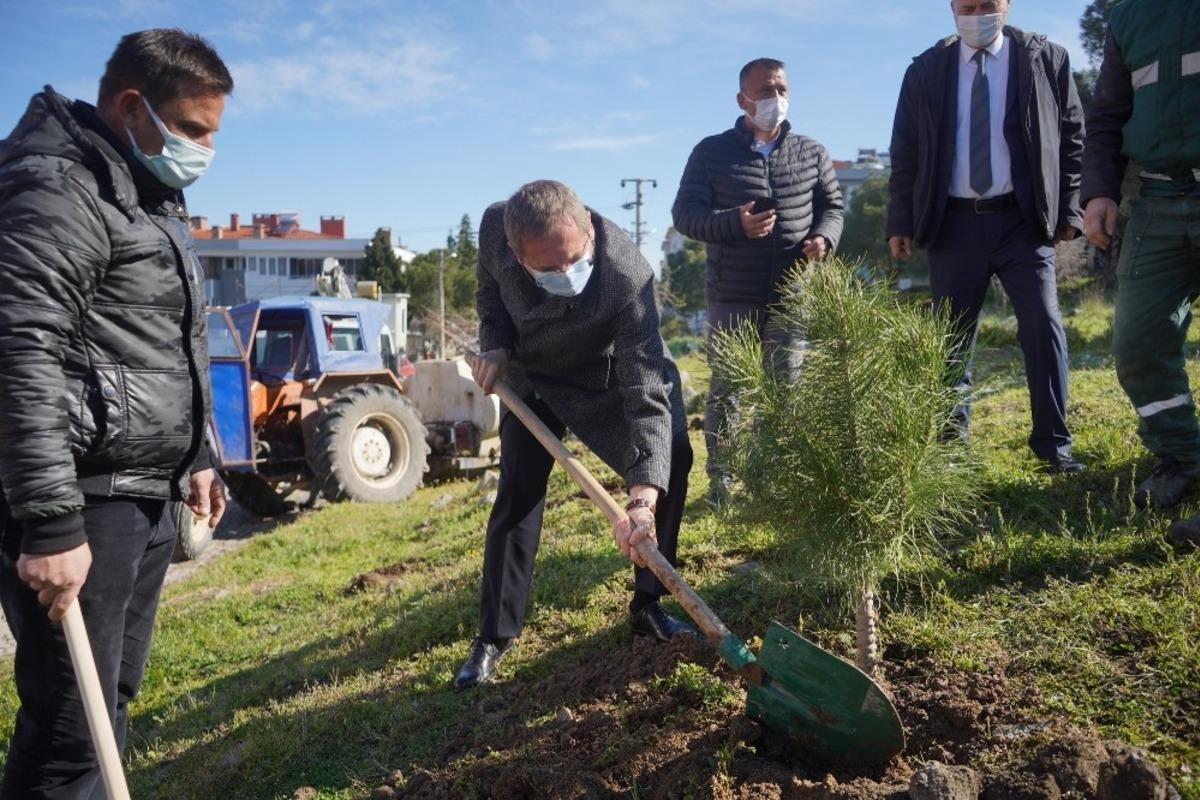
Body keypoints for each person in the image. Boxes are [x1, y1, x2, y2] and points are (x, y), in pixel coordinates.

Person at [0, 29, 231, 797]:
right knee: (70, 730)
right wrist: (50, 522)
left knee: (111, 702)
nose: (204, 150)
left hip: (143, 492)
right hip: (87, 497)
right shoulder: (56, 187)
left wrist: (195, 457)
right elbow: (21, 351)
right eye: (192, 129)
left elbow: (162, 340)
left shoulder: (147, 190)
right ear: (132, 107)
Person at [455, 180, 696, 690]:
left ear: (587, 225)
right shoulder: (495, 228)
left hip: (603, 376)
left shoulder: (626, 275)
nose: (567, 274)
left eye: (574, 258)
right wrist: (495, 345)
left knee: (671, 453)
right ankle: (494, 635)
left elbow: (646, 390)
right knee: (518, 492)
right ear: (518, 255)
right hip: (531, 379)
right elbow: (490, 295)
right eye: (549, 268)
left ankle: (649, 601)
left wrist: (642, 501)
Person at [886, 0, 1086, 474]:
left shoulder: (1046, 59)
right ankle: (951, 454)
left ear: (1007, 5)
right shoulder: (925, 71)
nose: (978, 14)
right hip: (953, 225)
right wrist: (900, 219)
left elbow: (1072, 137)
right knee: (950, 340)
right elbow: (905, 150)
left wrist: (1068, 208)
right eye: (968, 6)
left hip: (1022, 221)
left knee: (1042, 325)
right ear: (952, 9)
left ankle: (1054, 448)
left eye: (988, 4)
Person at [671, 57, 844, 508]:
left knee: (784, 389)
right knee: (729, 389)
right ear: (742, 99)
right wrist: (735, 223)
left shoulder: (811, 152)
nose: (776, 98)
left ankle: (771, 481)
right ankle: (722, 484)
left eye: (782, 89)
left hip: (793, 291)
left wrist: (824, 238)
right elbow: (685, 215)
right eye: (766, 91)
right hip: (733, 292)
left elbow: (833, 207)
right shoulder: (710, 152)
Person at [1081, 0, 1200, 546]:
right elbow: (1107, 115)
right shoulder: (1128, 15)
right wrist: (1099, 191)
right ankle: (1181, 454)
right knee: (1137, 341)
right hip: (1157, 198)